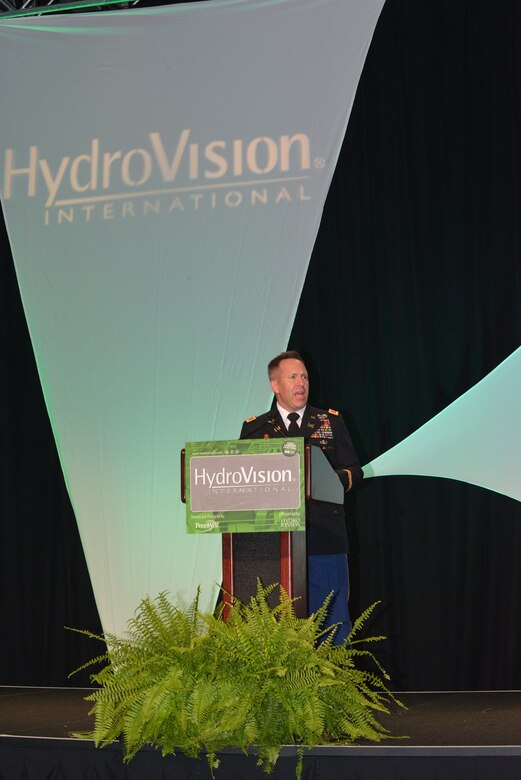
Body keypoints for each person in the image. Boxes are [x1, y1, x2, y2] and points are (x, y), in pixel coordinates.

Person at [240, 350, 363, 643]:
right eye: (293, 377)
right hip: (273, 542)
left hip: (325, 538)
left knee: (331, 619)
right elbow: (243, 481)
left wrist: (330, 482)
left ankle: (334, 686)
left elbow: (354, 470)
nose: (301, 383)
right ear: (274, 385)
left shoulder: (329, 422)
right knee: (278, 621)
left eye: (304, 377)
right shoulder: (255, 429)